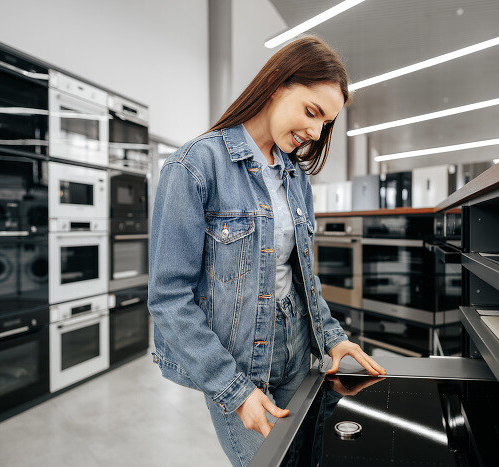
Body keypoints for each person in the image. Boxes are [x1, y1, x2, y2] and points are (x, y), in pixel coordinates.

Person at [148, 36, 386, 467]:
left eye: (325, 122)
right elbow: (168, 299)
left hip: (298, 346)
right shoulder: (194, 166)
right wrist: (233, 390)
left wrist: (333, 338)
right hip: (237, 360)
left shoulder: (295, 177)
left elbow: (301, 276)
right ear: (276, 84)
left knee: (307, 460)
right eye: (312, 112)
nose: (315, 132)